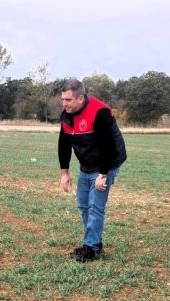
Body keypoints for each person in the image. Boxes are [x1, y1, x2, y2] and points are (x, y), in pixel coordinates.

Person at [58, 79, 127, 262]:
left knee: (95, 207)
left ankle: (91, 248)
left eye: (68, 100)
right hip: (87, 164)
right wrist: (64, 173)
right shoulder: (66, 115)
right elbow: (64, 144)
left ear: (80, 98)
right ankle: (95, 241)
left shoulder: (99, 112)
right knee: (83, 204)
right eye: (63, 99)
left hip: (107, 162)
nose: (64, 104)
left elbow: (108, 147)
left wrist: (103, 175)